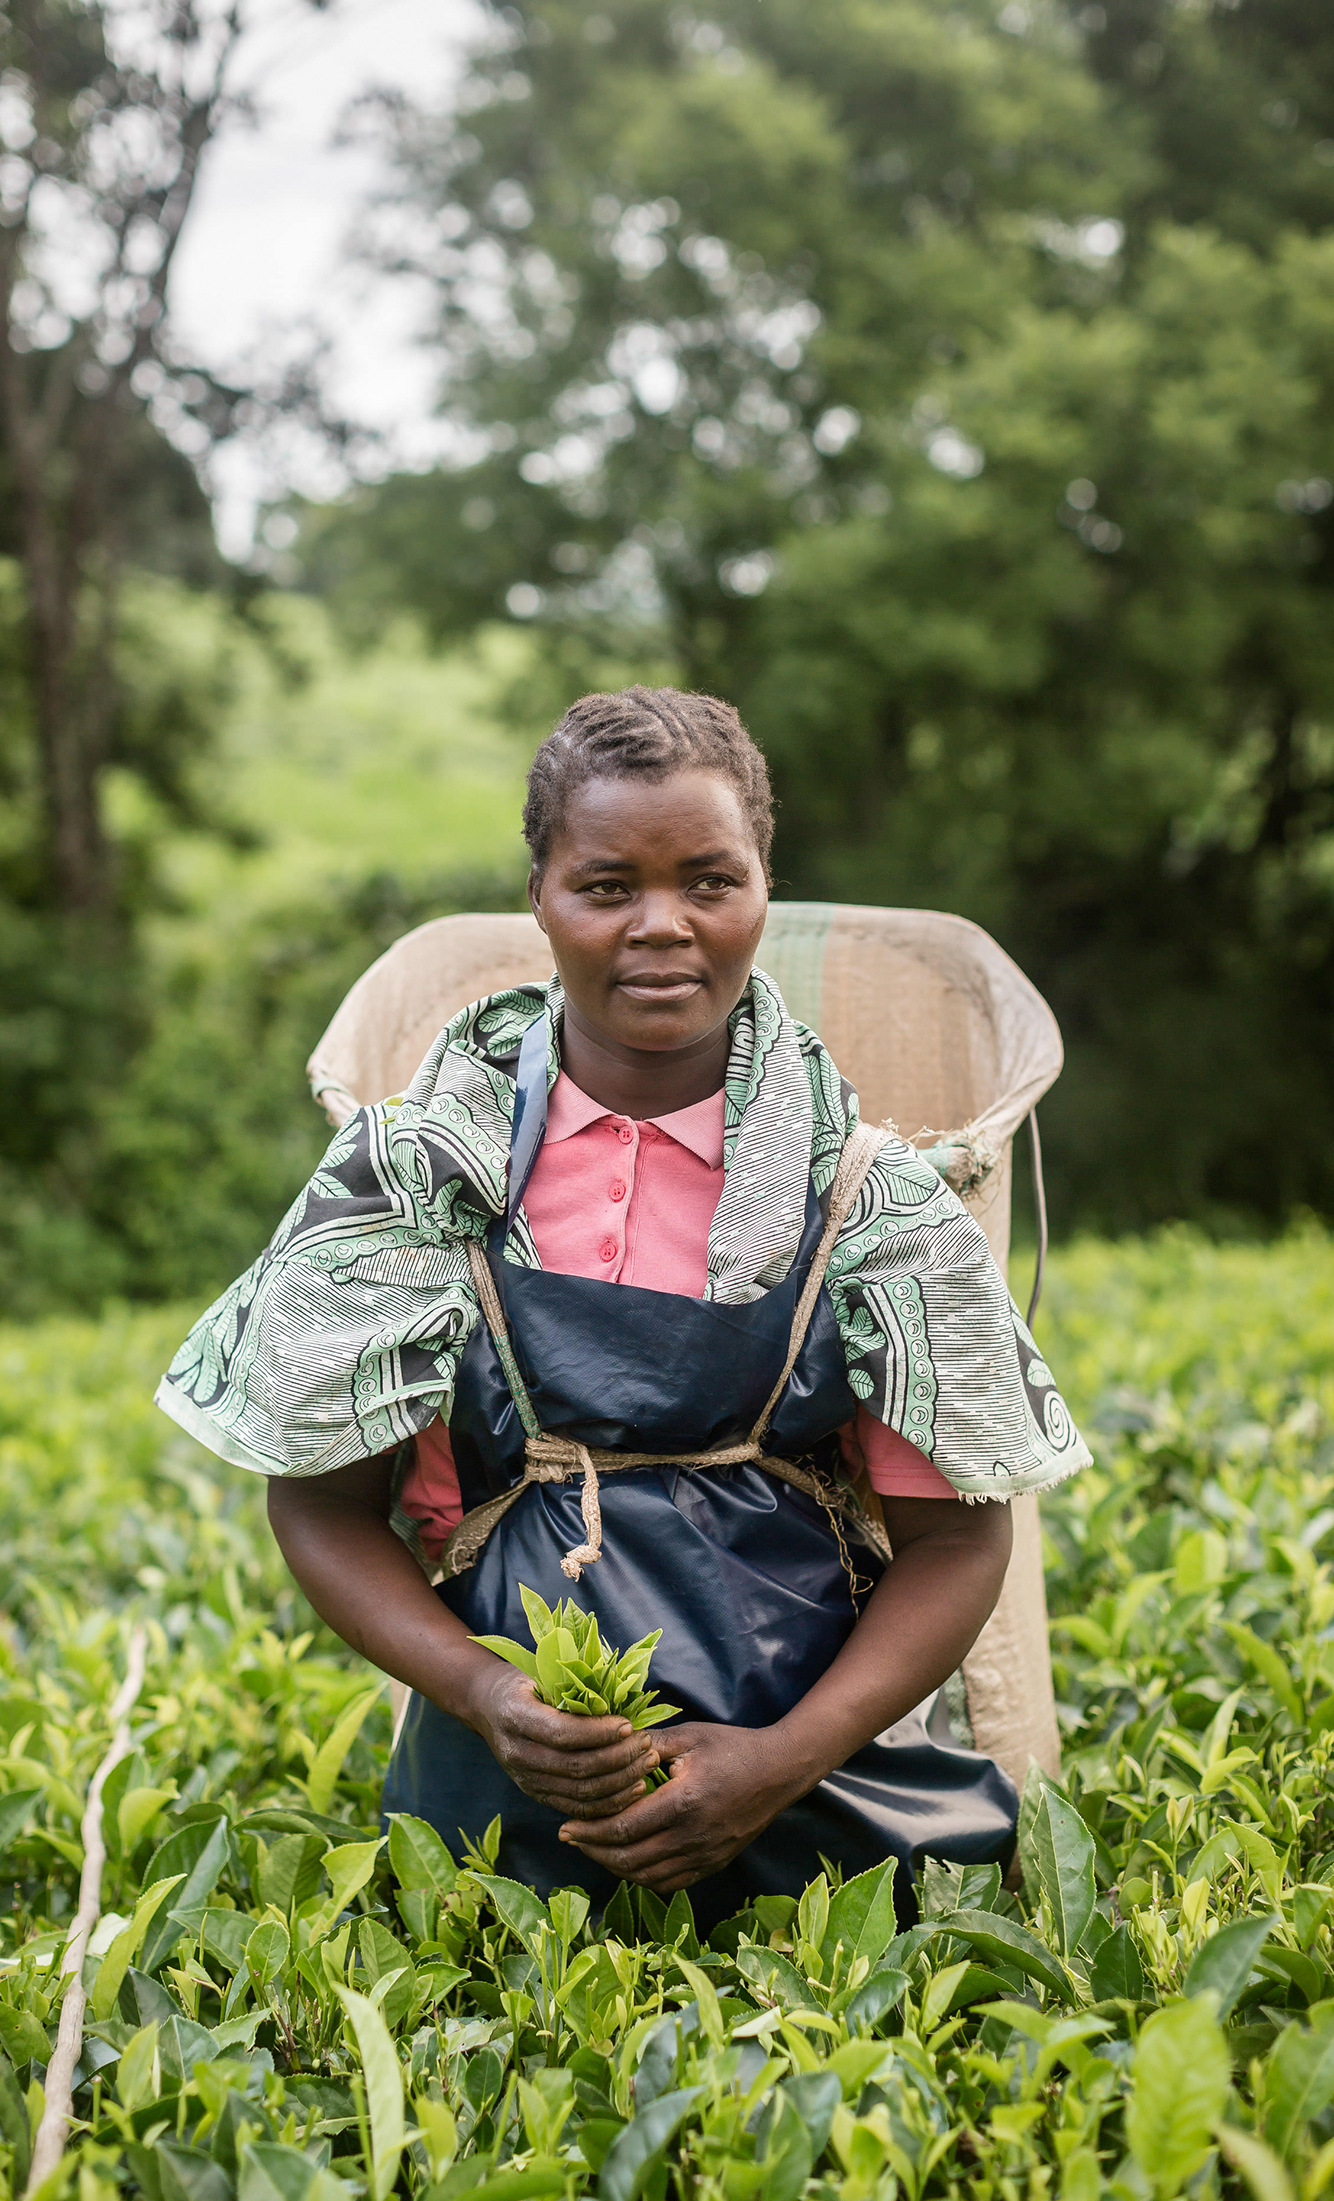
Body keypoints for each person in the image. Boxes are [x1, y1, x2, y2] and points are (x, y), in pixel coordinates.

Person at [157, 686, 1089, 1928]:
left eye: (710, 879)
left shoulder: (869, 1195)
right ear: (539, 897)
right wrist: (485, 1693)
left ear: (763, 885)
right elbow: (322, 1504)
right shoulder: (422, 1174)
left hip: (811, 1772)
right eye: (607, 887)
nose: (663, 926)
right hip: (501, 1780)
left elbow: (958, 1541)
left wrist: (778, 1760)